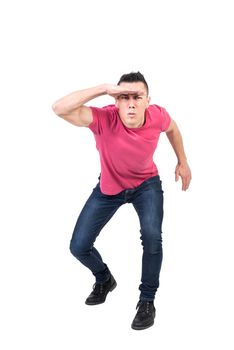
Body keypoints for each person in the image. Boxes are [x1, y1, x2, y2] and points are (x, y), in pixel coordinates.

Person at [52, 72, 191, 330]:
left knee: (152, 237)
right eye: (123, 97)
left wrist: (182, 161)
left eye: (136, 97)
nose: (130, 103)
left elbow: (172, 128)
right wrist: (104, 88)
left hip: (145, 185)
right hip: (109, 188)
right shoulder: (105, 118)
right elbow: (59, 108)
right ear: (115, 101)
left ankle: (147, 300)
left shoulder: (157, 115)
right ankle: (104, 279)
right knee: (78, 246)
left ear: (147, 100)